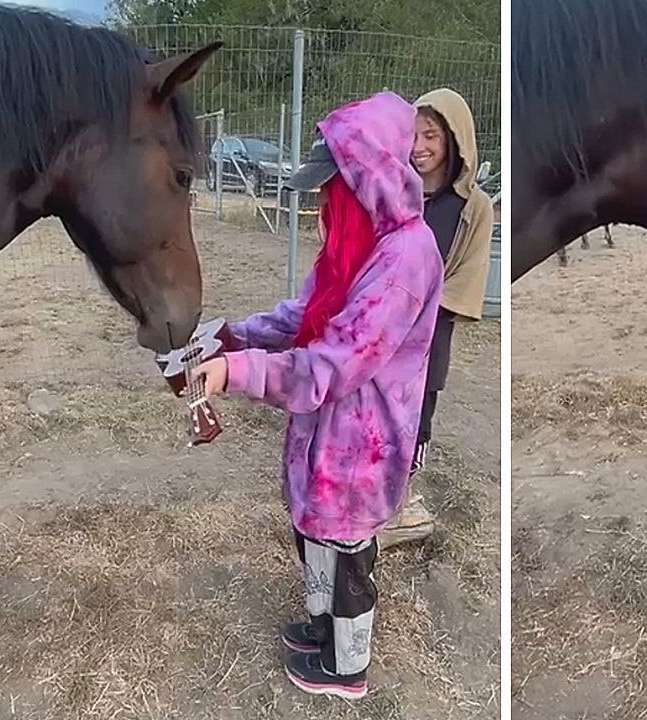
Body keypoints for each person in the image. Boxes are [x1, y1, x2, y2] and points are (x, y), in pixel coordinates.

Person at [191, 91, 444, 700]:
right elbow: (301, 314)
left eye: (336, 186)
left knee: (350, 546)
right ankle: (321, 626)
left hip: (363, 444)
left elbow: (334, 365)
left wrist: (239, 373)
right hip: (325, 434)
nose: (326, 200)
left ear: (372, 178)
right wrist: (232, 336)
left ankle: (347, 665)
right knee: (315, 531)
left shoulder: (407, 257)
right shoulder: (355, 246)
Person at [380, 88, 494, 545]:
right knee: (374, 412)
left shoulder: (474, 208)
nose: (419, 147)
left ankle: (401, 504)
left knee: (416, 417)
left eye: (431, 135)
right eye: (413, 135)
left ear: (454, 139)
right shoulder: (393, 192)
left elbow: (467, 280)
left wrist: (416, 309)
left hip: (428, 338)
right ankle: (371, 494)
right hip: (379, 329)